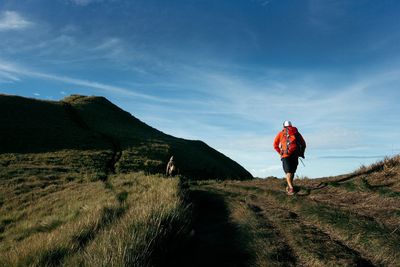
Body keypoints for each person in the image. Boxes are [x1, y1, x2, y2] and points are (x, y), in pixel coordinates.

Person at [273, 121, 306, 195]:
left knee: (288, 172)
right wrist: (301, 153)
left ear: (284, 126)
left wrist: (280, 152)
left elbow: (275, 145)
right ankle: (290, 186)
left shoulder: (281, 133)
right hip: (295, 154)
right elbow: (303, 144)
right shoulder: (296, 133)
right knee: (292, 172)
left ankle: (291, 188)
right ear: (291, 125)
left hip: (285, 155)